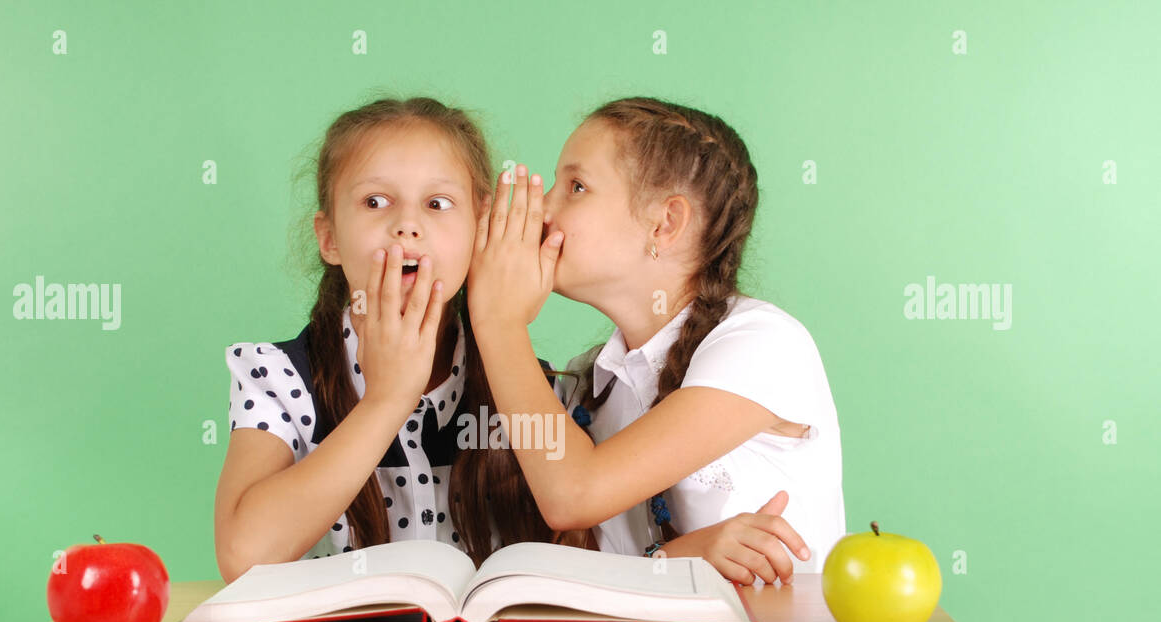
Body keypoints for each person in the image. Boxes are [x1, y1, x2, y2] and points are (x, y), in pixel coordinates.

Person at [466, 96, 845, 587]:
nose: (543, 209)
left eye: (576, 187)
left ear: (665, 223)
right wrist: (674, 559)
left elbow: (573, 495)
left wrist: (498, 322)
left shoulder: (764, 345)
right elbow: (599, 583)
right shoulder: (594, 382)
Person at [214, 97, 561, 584]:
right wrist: (386, 400)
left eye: (437, 204)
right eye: (375, 202)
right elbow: (243, 555)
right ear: (329, 237)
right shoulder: (275, 375)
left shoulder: (524, 380)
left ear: (479, 228)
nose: (407, 225)